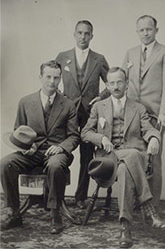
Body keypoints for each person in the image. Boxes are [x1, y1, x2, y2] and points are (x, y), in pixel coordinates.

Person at [81, 67, 165, 248]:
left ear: (126, 84)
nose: (116, 86)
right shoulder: (99, 106)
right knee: (134, 154)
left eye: (120, 82)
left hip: (126, 161)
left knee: (125, 167)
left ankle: (124, 227)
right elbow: (85, 132)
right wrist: (101, 137)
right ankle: (149, 208)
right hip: (107, 159)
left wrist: (153, 138)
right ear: (107, 85)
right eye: (111, 83)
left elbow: (148, 128)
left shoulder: (138, 107)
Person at [0, 60, 80, 234]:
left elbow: (74, 136)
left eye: (56, 78)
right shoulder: (26, 102)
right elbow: (18, 131)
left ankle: (54, 212)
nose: (52, 81)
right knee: (5, 163)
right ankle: (13, 212)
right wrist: (25, 147)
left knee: (54, 165)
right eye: (48, 77)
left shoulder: (68, 105)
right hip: (32, 152)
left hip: (56, 152)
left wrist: (61, 147)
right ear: (40, 77)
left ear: (60, 79)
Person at [121, 15, 165, 210]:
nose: (145, 33)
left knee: (153, 159)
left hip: (155, 115)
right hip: (132, 114)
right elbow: (121, 79)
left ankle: (153, 206)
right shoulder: (130, 53)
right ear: (137, 32)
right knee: (135, 155)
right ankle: (135, 201)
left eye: (149, 29)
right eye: (141, 30)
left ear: (156, 30)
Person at [56, 20, 109, 209]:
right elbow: (52, 79)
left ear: (92, 36)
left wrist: (99, 98)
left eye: (87, 33)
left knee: (87, 156)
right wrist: (61, 97)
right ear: (74, 34)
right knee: (61, 151)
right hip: (67, 112)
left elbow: (111, 83)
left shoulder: (99, 59)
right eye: (79, 33)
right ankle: (55, 196)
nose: (83, 37)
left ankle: (80, 197)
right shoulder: (63, 57)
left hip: (89, 113)